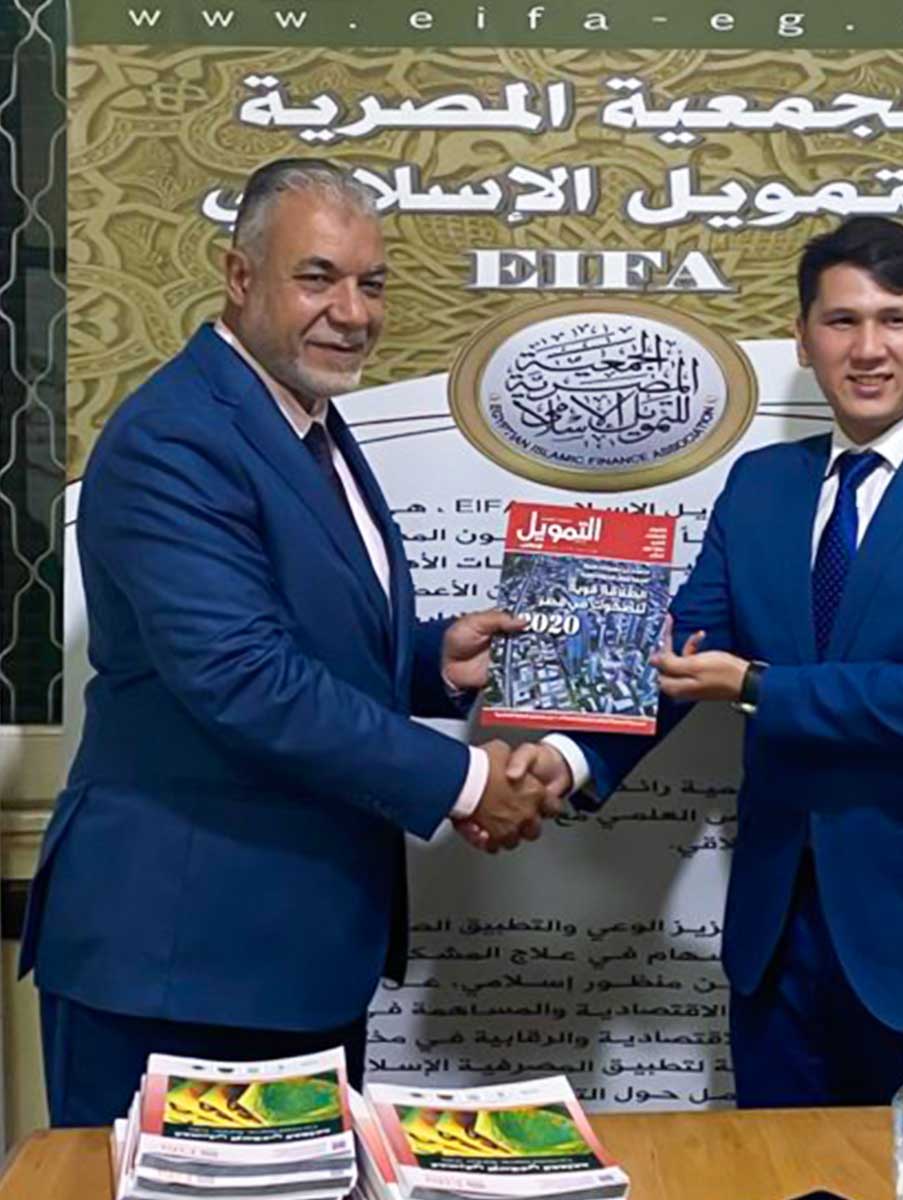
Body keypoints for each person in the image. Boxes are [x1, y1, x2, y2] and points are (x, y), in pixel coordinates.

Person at [20, 158, 551, 1126]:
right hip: (182, 959)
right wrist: (469, 781)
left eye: (371, 283)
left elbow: (296, 627)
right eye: (318, 278)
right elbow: (241, 676)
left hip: (295, 952)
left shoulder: (304, 418)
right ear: (239, 275)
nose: (352, 312)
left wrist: (430, 660)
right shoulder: (177, 436)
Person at [508, 216, 903, 1107]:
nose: (868, 348)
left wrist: (757, 685)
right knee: (774, 1169)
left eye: (896, 319)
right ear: (804, 340)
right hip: (779, 936)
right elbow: (685, 654)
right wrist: (568, 755)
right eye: (842, 321)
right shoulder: (761, 485)